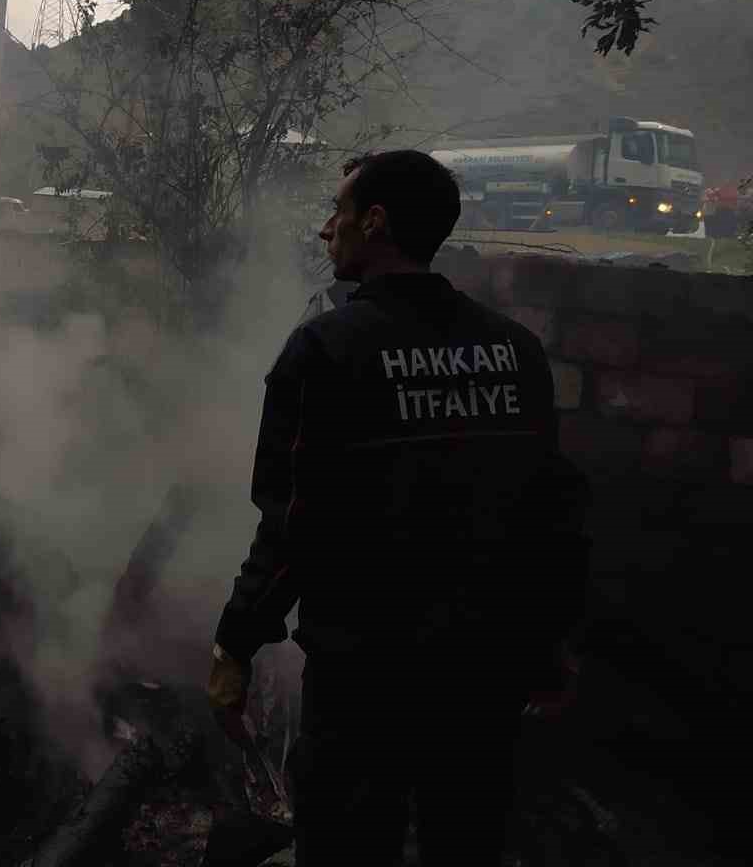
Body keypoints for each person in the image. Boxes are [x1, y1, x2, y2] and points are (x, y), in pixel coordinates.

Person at [207, 149, 589, 867]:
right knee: (464, 840)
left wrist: (236, 641)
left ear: (375, 223)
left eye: (339, 212)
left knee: (350, 847)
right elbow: (553, 520)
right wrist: (550, 645)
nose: (328, 230)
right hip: (484, 676)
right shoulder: (517, 351)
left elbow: (292, 526)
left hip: (364, 682)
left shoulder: (326, 349)